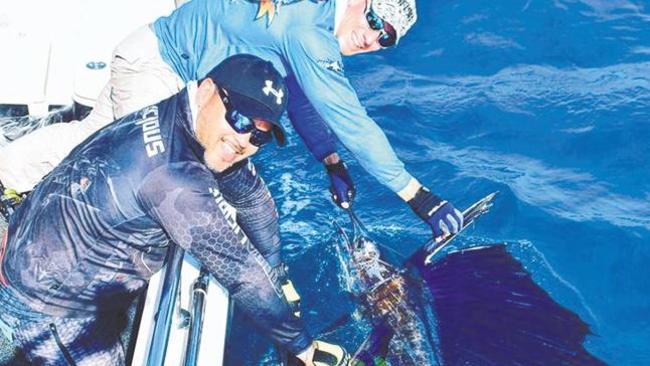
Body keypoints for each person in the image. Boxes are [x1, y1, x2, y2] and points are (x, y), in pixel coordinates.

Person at [0, 0, 464, 243]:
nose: (374, 37)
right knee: (140, 175)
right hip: (160, 71)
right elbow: (351, 119)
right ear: (361, 0)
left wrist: (330, 161)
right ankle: (53, 238)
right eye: (377, 19)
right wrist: (418, 197)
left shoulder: (315, 18)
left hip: (153, 52)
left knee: (91, 138)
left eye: (388, 39)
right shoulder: (310, 33)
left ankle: (6, 174)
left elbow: (299, 98)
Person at [0, 55, 347, 366]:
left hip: (52, 247)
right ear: (207, 89)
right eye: (241, 120)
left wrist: (276, 270)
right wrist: (303, 348)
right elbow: (240, 273)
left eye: (260, 137)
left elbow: (253, 199)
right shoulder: (171, 176)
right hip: (49, 305)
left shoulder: (184, 120)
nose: (245, 140)